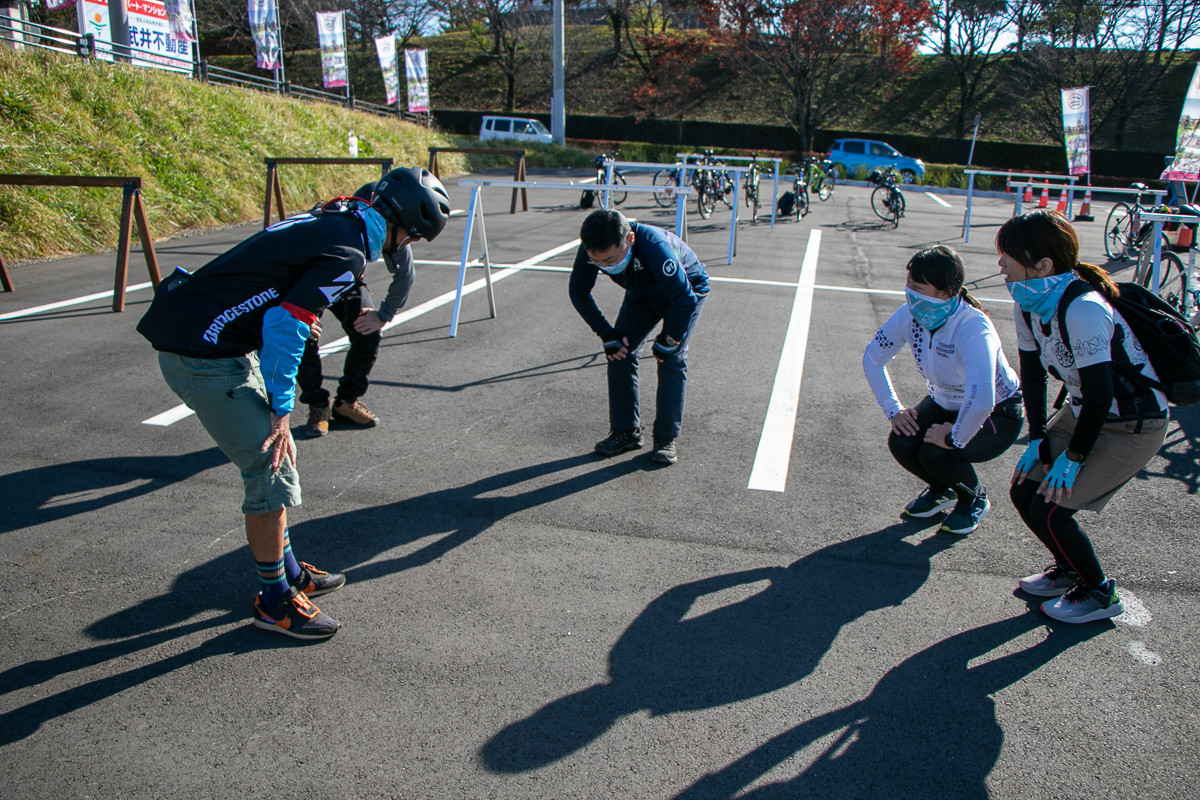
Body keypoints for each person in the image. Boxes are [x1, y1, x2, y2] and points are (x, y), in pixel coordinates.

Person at [136, 166, 451, 640]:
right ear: (401, 224)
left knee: (280, 464)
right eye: (412, 237)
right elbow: (286, 327)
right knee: (270, 467)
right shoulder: (348, 251)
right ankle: (274, 600)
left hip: (206, 339)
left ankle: (288, 576)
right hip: (202, 355)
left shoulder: (336, 217)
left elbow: (281, 282)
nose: (407, 246)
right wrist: (283, 410)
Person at [1000, 210, 1169, 623]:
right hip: (1087, 411)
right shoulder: (1030, 302)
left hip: (1131, 423)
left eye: (1007, 256)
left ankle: (1099, 592)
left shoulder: (1084, 308)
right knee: (1025, 489)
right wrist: (1038, 437)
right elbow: (1034, 376)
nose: (1000, 265)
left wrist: (1072, 458)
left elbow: (1100, 394)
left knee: (1052, 507)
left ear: (1043, 265)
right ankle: (1067, 569)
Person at [863, 245, 1023, 535]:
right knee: (902, 439)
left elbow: (983, 397)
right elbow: (873, 357)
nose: (910, 293)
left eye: (918, 286)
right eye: (908, 285)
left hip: (998, 412)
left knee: (936, 452)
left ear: (945, 294)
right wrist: (893, 409)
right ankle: (942, 490)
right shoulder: (909, 315)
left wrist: (953, 436)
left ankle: (973, 498)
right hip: (944, 401)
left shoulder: (974, 327)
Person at [299, 176, 441, 437]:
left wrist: (383, 314)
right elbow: (293, 266)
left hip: (348, 277)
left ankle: (346, 402)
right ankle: (318, 405)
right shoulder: (330, 220)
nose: (406, 242)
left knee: (368, 330)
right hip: (308, 278)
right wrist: (302, 313)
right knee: (302, 335)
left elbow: (406, 275)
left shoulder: (393, 226)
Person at [569, 209, 710, 466]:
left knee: (671, 359)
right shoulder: (592, 246)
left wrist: (669, 339)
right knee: (619, 352)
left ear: (630, 239)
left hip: (686, 290)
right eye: (598, 262)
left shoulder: (653, 246)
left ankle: (665, 439)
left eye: (611, 260)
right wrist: (607, 334)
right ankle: (626, 432)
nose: (605, 266)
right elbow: (578, 292)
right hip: (642, 292)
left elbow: (684, 299)